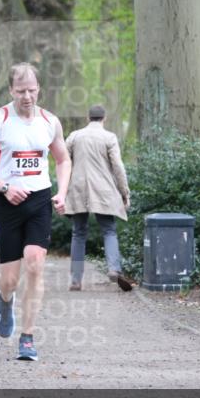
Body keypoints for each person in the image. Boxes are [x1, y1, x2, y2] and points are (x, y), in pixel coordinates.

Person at [0, 63, 71, 361]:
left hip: (39, 199)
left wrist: (62, 192)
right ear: (11, 90)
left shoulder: (50, 121)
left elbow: (63, 159)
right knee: (10, 280)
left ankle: (27, 337)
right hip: (7, 202)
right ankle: (4, 300)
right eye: (21, 91)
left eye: (32, 90)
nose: (27, 96)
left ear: (39, 88)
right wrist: (4, 188)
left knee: (36, 263)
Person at [64, 105, 134, 292]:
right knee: (109, 231)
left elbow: (63, 161)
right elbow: (118, 167)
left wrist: (62, 191)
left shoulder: (74, 136)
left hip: (78, 189)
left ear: (88, 117)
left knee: (78, 233)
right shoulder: (109, 137)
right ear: (105, 118)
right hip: (103, 190)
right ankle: (113, 268)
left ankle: (76, 280)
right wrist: (124, 192)